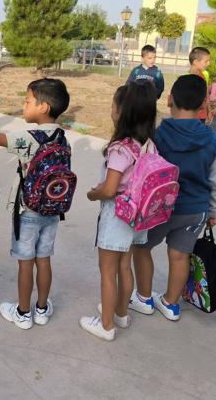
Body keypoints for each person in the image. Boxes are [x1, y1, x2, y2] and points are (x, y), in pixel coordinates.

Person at [0, 78, 71, 330]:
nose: (24, 105)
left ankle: (22, 312)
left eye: (28, 101)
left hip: (27, 211)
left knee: (25, 263)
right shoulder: (63, 139)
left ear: (43, 107)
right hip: (52, 212)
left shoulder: (28, 137)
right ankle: (41, 309)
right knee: (44, 259)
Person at [129, 75, 216, 321]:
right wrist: (214, 211)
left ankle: (144, 297)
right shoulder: (212, 140)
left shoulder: (158, 135)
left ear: (169, 99)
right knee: (180, 255)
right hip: (195, 209)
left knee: (142, 248)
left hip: (161, 209)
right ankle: (171, 304)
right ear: (204, 104)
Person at [81, 82, 157, 341]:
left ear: (121, 112)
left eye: (113, 106)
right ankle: (121, 314)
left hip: (118, 216)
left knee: (107, 273)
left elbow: (110, 189)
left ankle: (105, 325)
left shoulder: (121, 149)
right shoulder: (149, 145)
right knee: (125, 267)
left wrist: (93, 194)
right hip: (139, 217)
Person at [188, 47, 212, 122]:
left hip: (201, 115)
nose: (209, 63)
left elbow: (206, 95)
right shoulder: (187, 78)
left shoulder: (202, 76)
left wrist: (209, 111)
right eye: (206, 61)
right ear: (195, 62)